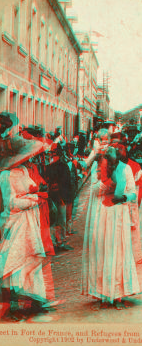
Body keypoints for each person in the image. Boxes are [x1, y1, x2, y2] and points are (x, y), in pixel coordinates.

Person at [0, 135, 56, 321]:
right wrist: (35, 199)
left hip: (30, 221)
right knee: (15, 261)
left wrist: (36, 192)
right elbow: (11, 203)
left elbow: (34, 186)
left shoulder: (23, 170)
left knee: (30, 259)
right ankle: (13, 305)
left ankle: (31, 301)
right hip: (15, 222)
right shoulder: (5, 175)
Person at [81, 145, 142, 310]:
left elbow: (133, 193)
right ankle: (103, 295)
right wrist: (106, 182)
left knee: (119, 253)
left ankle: (118, 296)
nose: (109, 164)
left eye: (111, 162)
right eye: (106, 162)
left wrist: (122, 196)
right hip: (102, 215)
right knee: (102, 253)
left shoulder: (126, 169)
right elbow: (94, 191)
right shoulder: (99, 169)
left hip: (119, 215)